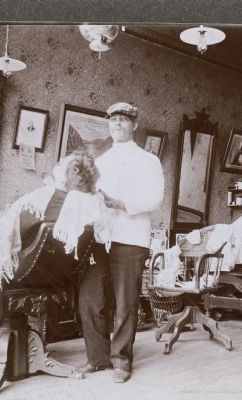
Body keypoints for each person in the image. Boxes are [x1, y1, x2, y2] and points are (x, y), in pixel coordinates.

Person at [0, 152, 105, 307]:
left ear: (66, 177)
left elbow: (11, 236)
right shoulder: (76, 207)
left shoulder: (46, 199)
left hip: (20, 267)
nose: (58, 164)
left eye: (62, 164)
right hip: (49, 273)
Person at [77, 102, 165, 383]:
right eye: (113, 120)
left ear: (135, 125)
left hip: (131, 237)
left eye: (124, 120)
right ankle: (97, 357)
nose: (117, 124)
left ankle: (121, 361)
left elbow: (155, 198)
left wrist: (121, 203)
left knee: (126, 302)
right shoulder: (100, 162)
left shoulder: (149, 160)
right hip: (101, 238)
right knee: (91, 298)